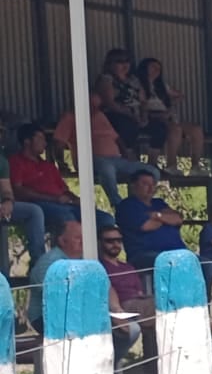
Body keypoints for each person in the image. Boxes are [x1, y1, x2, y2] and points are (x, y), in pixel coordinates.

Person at [28, 218, 141, 367]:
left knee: (131, 329)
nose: (83, 241)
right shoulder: (49, 263)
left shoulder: (88, 258)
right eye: (77, 238)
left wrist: (116, 310)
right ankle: (88, 370)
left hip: (85, 313)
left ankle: (104, 367)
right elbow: (59, 299)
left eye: (84, 237)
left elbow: (106, 287)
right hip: (50, 317)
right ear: (62, 241)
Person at [54, 92, 156, 207]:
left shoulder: (99, 116)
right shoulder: (70, 117)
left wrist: (126, 154)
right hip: (91, 161)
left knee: (152, 171)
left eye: (97, 107)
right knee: (107, 168)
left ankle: (142, 203)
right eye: (92, 106)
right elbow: (59, 143)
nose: (95, 110)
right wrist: (61, 163)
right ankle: (118, 205)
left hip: (116, 159)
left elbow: (116, 138)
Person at [136, 57, 206, 176]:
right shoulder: (137, 83)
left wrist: (171, 102)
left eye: (159, 68)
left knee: (196, 129)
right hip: (151, 117)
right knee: (175, 129)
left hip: (168, 116)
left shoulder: (161, 85)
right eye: (153, 67)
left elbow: (179, 94)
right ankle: (171, 164)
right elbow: (140, 105)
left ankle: (195, 166)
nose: (157, 70)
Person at [98, 224, 157, 360]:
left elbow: (139, 291)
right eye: (109, 241)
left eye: (118, 240)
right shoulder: (99, 267)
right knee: (165, 307)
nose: (115, 244)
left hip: (140, 302)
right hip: (121, 305)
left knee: (167, 304)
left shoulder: (128, 266)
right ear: (100, 243)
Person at [11, 124, 82, 236]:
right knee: (67, 216)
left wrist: (75, 198)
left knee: (103, 218)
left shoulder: (49, 166)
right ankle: (73, 252)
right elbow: (18, 190)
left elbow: (64, 189)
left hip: (63, 204)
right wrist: (54, 199)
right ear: (27, 141)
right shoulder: (16, 162)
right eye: (40, 139)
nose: (45, 143)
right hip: (37, 205)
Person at [115, 169, 188, 272]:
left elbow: (178, 219)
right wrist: (166, 219)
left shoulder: (159, 203)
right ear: (133, 185)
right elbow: (147, 225)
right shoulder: (127, 206)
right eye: (145, 184)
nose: (150, 188)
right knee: (173, 264)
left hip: (177, 252)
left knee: (205, 264)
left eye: (153, 184)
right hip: (145, 254)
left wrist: (157, 216)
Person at [0, 120, 48, 269]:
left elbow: (7, 189)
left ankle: (39, 264)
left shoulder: (2, 162)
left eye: (1, 132)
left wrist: (8, 201)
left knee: (34, 211)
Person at [94, 48, 158, 156]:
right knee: (127, 126)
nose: (125, 65)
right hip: (116, 115)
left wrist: (144, 116)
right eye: (120, 61)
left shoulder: (134, 80)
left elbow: (143, 101)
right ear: (110, 64)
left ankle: (153, 163)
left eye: (127, 61)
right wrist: (130, 114)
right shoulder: (106, 79)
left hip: (137, 115)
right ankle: (128, 158)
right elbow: (110, 102)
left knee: (159, 128)